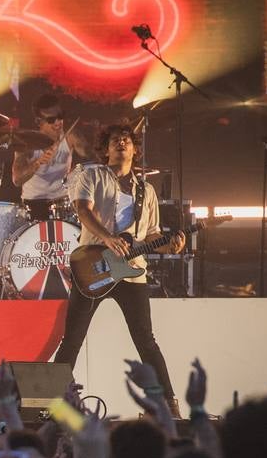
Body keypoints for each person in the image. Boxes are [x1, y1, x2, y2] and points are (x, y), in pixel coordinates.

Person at [54, 123, 184, 408]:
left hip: (131, 270)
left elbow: (151, 235)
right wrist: (108, 238)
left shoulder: (146, 190)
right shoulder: (91, 175)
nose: (121, 143)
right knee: (73, 338)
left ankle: (168, 403)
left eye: (126, 140)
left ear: (135, 149)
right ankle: (50, 400)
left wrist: (170, 245)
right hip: (93, 265)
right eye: (115, 140)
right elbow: (83, 210)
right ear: (106, 149)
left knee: (146, 341)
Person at [11, 94, 87, 220]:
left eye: (60, 116)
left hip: (63, 203)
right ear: (38, 121)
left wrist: (77, 172)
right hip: (33, 204)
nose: (58, 122)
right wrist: (38, 163)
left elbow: (92, 160)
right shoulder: (26, 142)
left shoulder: (70, 136)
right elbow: (17, 179)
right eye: (51, 119)